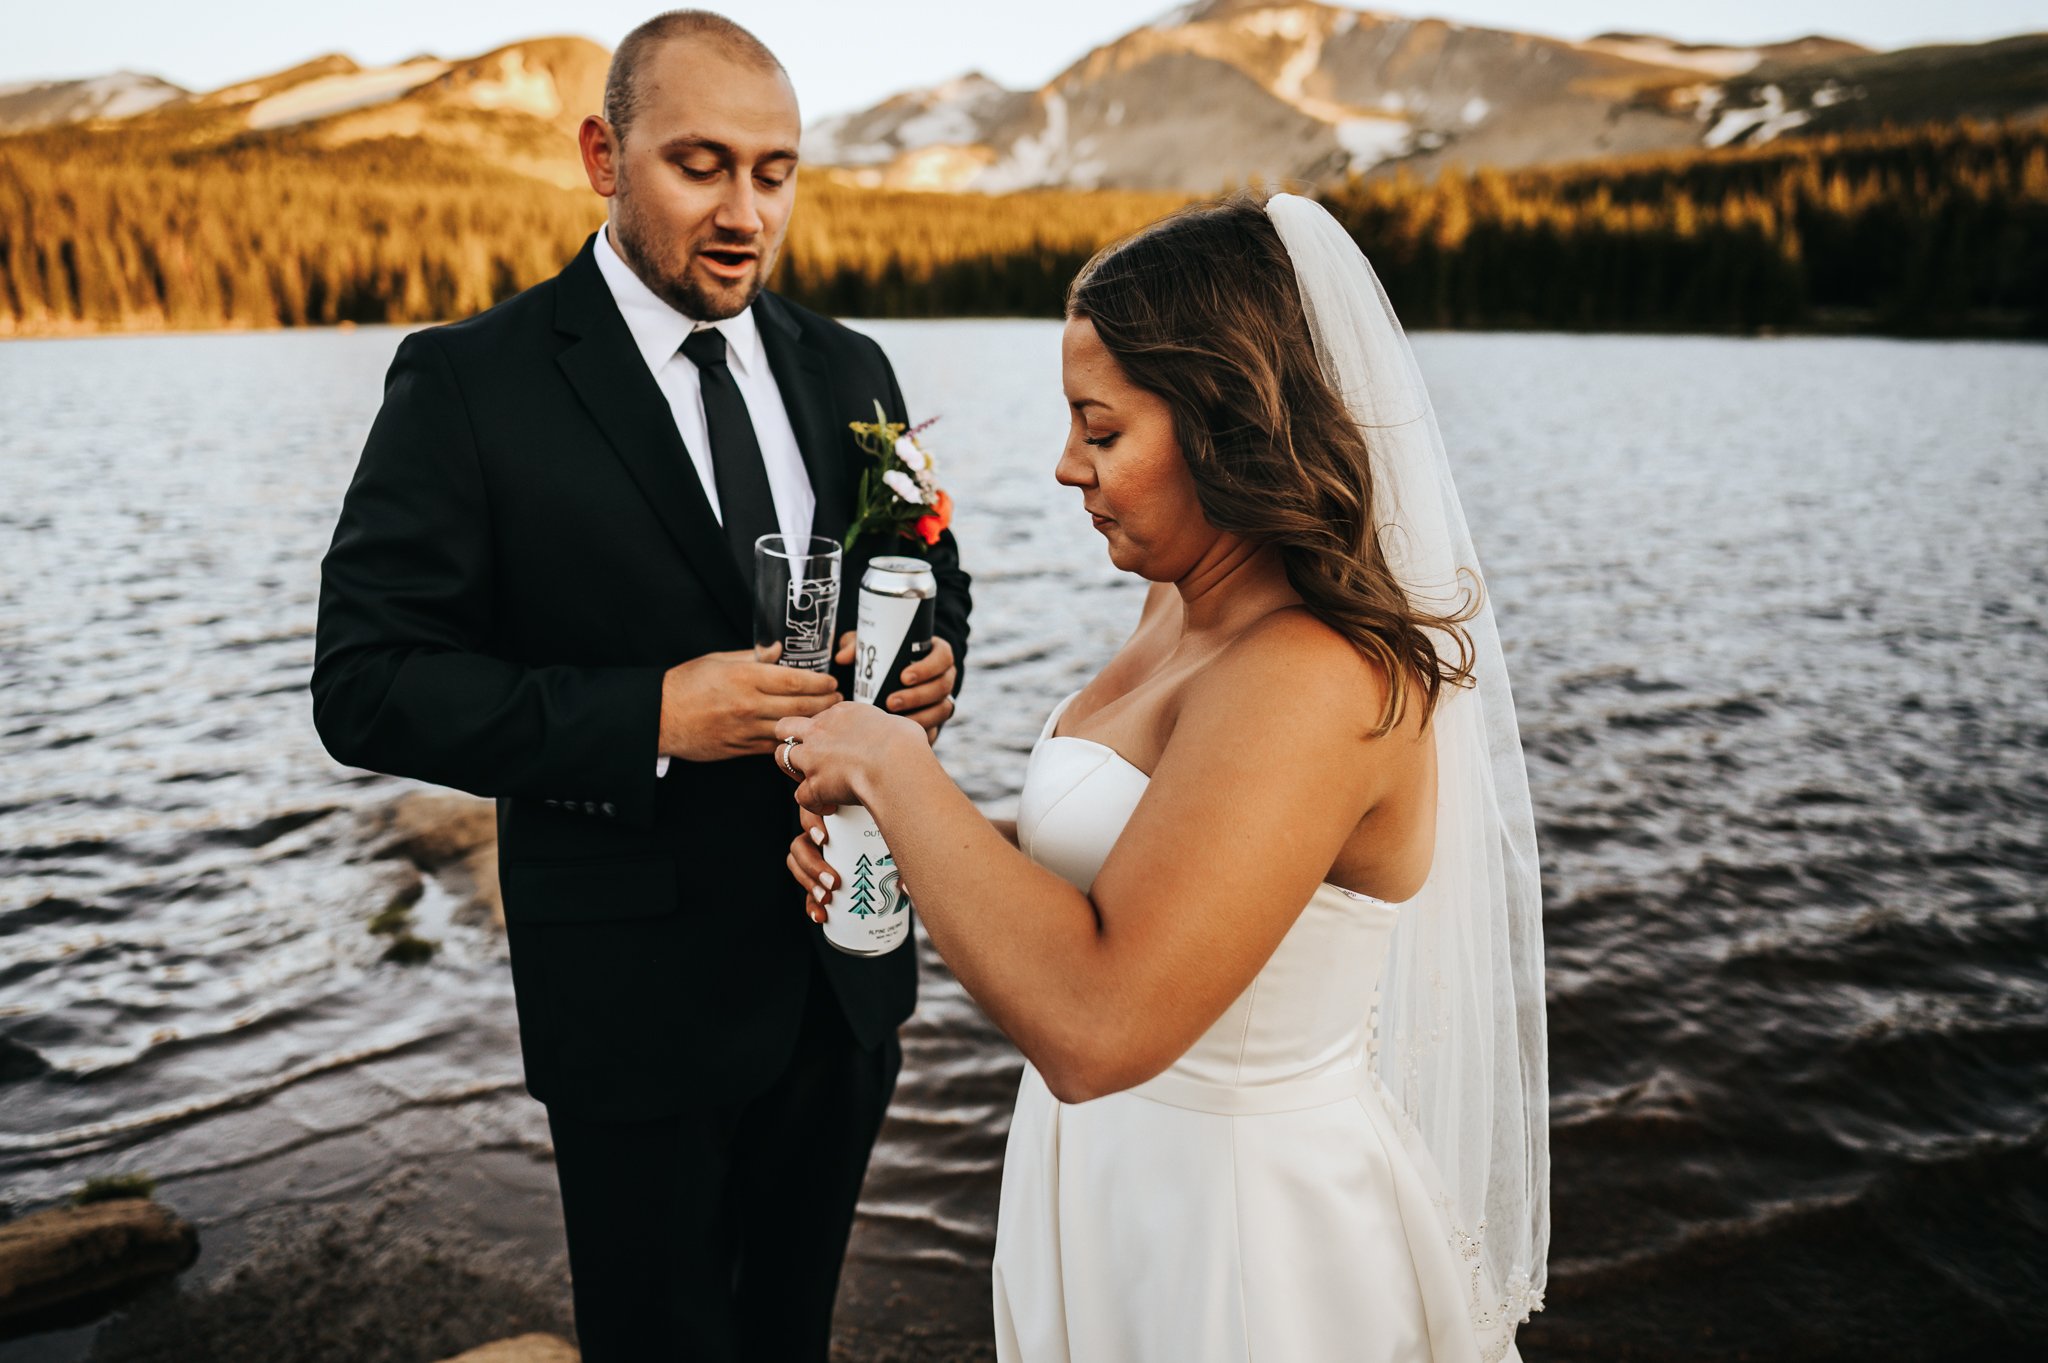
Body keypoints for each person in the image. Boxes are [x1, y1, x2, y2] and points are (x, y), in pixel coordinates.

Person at [777, 192, 1547, 1361]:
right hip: (1107, 1173)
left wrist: (891, 764)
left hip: (1236, 1234)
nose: (1062, 467)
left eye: (1100, 429)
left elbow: (1097, 1022)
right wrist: (898, 837)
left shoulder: (1313, 674)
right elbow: (1134, 863)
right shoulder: (1176, 607)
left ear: (1226, 422)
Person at [308, 11, 971, 1361]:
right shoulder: (470, 381)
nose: (745, 213)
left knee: (792, 1330)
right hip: (634, 992)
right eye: (703, 165)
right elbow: (365, 681)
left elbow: (928, 576)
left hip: (846, 968)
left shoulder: (852, 369)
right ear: (604, 155)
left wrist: (933, 661)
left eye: (774, 173)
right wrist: (650, 716)